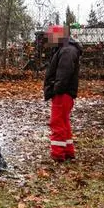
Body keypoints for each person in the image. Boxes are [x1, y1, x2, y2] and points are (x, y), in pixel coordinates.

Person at [43, 25, 82, 162]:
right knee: (64, 122)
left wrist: (56, 90)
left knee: (57, 122)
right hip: (65, 93)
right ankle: (67, 151)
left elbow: (64, 74)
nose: (49, 39)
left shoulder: (66, 50)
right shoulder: (67, 49)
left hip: (62, 93)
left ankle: (58, 154)